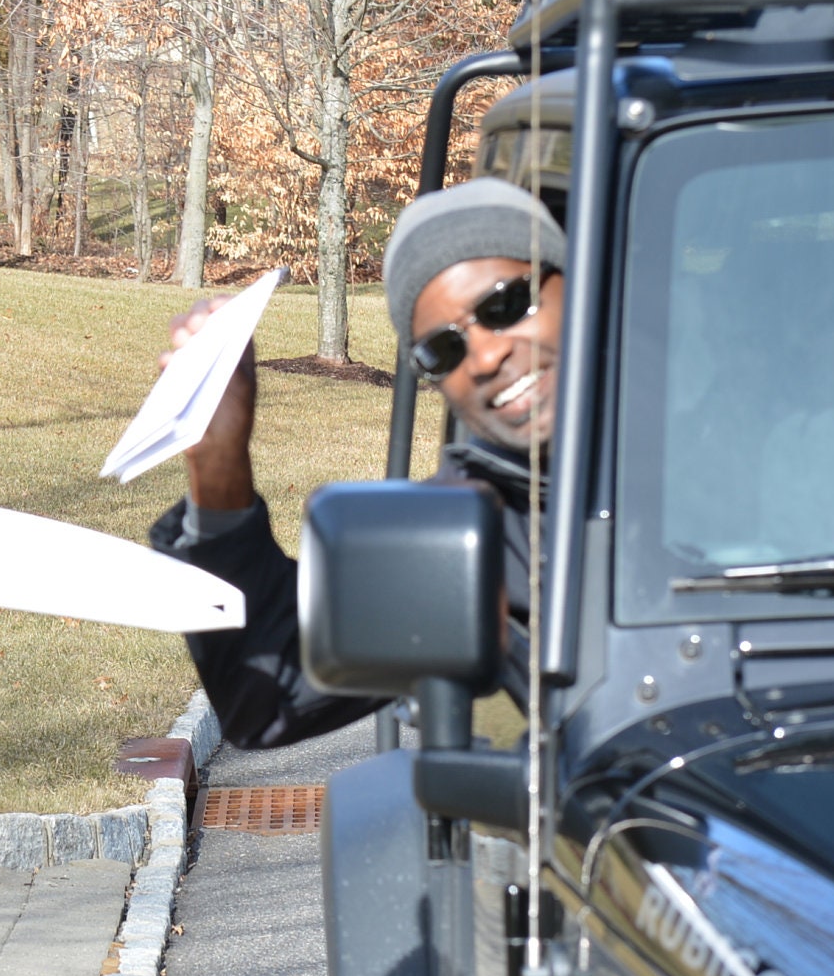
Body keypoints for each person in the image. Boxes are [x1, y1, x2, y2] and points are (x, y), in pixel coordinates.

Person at [148, 178, 563, 751]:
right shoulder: (473, 530)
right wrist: (219, 464)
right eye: (443, 350)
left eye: (506, 305)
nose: (487, 356)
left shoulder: (698, 432)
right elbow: (267, 697)